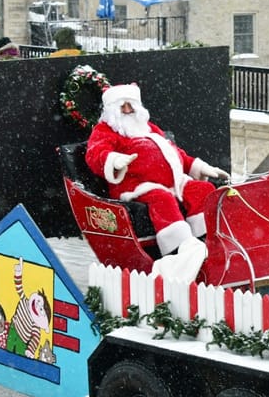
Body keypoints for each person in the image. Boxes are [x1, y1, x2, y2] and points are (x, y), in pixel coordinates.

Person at [85, 83, 229, 282]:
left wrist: (199, 167)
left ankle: (205, 238)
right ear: (112, 109)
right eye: (122, 106)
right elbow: (95, 153)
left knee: (202, 188)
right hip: (136, 186)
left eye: (130, 105)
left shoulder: (149, 128)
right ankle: (178, 250)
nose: (127, 110)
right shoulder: (105, 130)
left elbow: (175, 155)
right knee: (162, 199)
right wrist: (114, 160)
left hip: (173, 182)